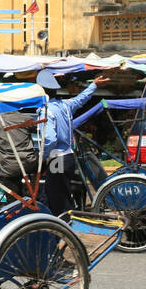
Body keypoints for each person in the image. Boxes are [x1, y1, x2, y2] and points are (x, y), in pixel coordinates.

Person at [37, 69, 110, 215]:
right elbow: (82, 99)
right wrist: (93, 85)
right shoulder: (65, 105)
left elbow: (50, 139)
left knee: (56, 198)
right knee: (62, 195)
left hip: (56, 159)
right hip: (69, 157)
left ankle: (63, 228)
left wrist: (42, 156)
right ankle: (65, 225)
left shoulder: (46, 111)